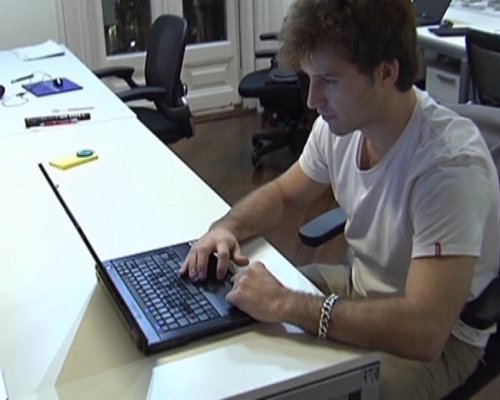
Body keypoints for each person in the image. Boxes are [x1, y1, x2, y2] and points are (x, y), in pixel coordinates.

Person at [180, 0, 500, 398]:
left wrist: (287, 304)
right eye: (310, 78)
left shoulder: (448, 166)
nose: (312, 99)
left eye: (329, 81)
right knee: (235, 309)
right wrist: (226, 227)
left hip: (442, 338)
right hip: (360, 286)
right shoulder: (340, 128)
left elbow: (425, 330)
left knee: (326, 390)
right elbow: (283, 194)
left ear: (386, 73)